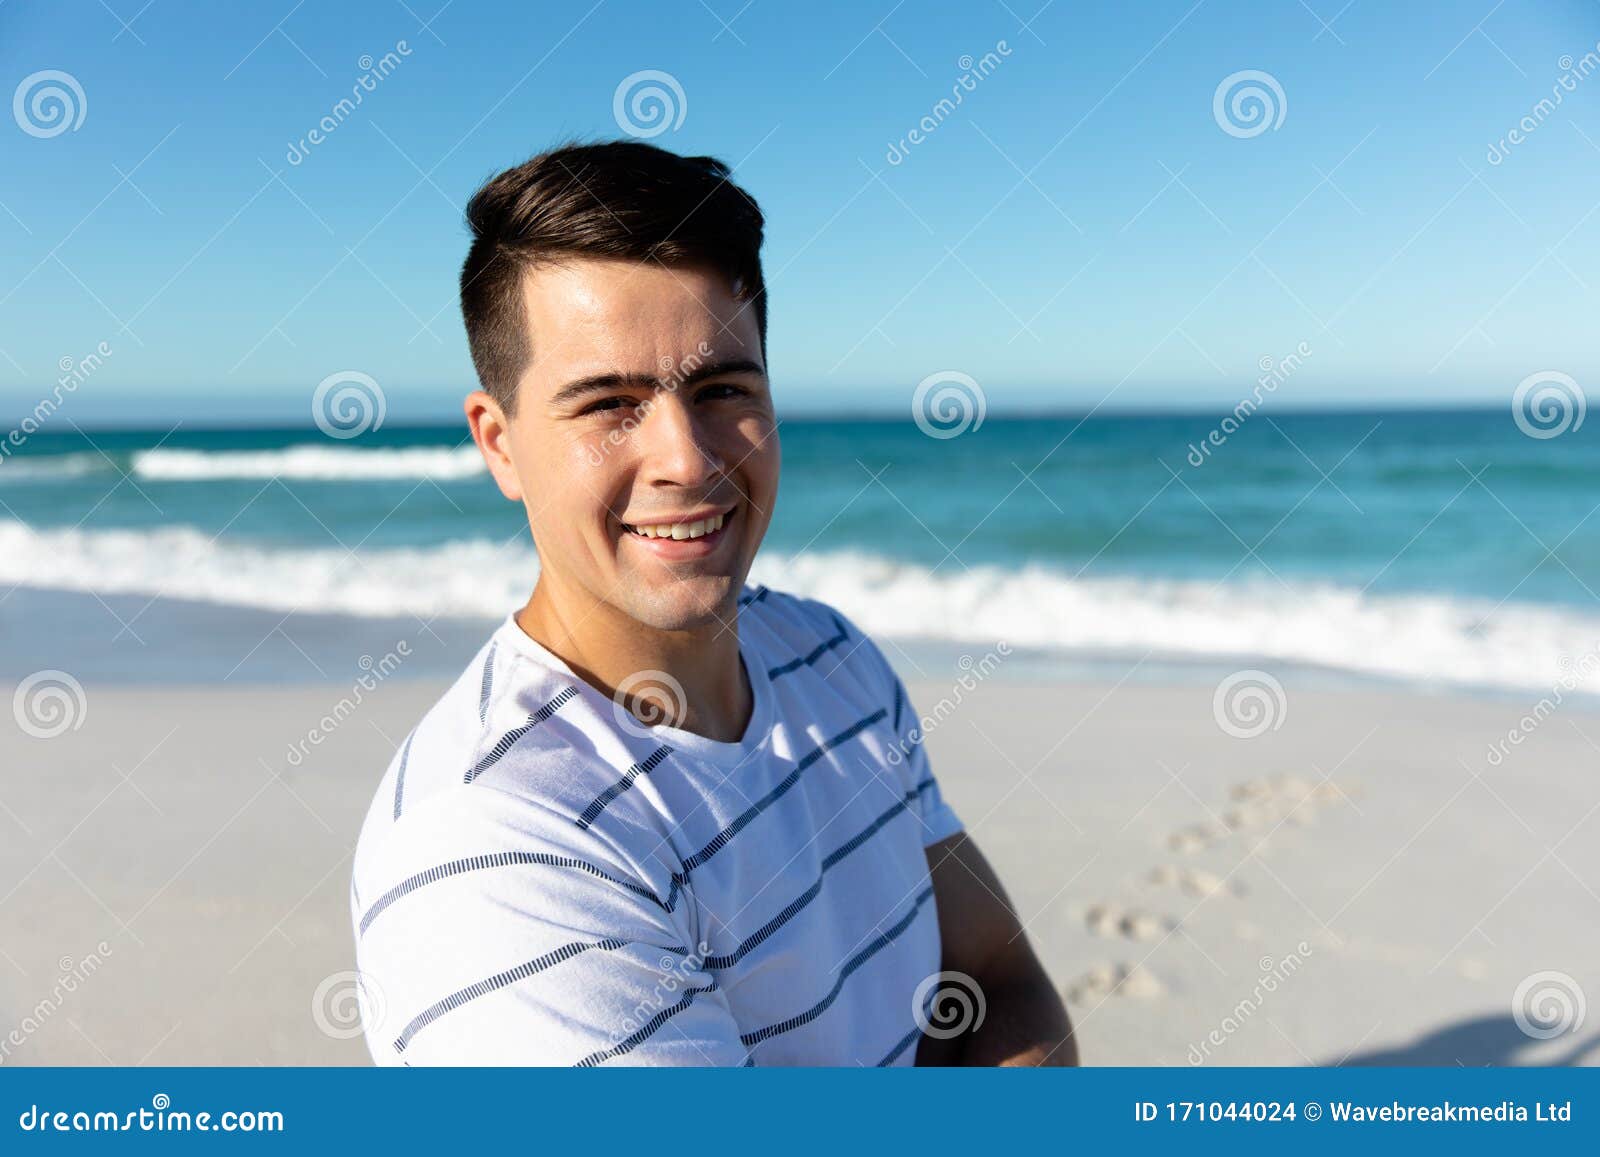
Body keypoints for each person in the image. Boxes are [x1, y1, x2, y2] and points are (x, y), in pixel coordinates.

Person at [349, 139, 1075, 1066]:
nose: (687, 459)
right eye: (608, 403)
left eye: (721, 387)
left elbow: (995, 982)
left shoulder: (829, 657)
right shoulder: (496, 844)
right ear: (499, 444)